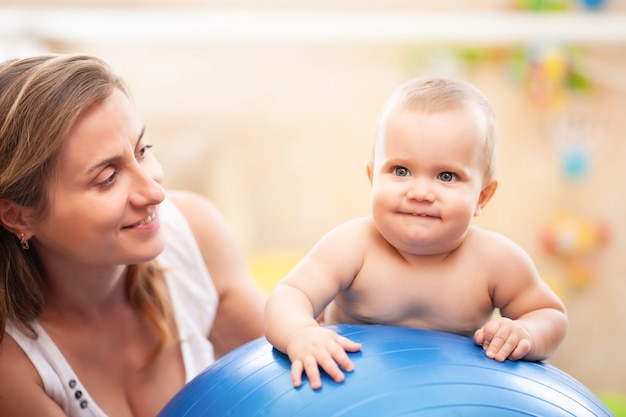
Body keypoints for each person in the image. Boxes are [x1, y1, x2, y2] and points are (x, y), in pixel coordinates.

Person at [0, 53, 265, 417]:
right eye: (107, 178)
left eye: (142, 151)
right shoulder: (13, 365)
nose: (155, 193)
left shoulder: (195, 235)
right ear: (16, 215)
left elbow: (296, 374)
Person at [264, 76, 568, 390]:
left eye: (446, 176)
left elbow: (549, 313)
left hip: (450, 397)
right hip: (352, 394)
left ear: (482, 196)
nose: (420, 191)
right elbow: (289, 295)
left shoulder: (496, 261)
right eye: (400, 171)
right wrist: (300, 332)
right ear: (372, 177)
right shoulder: (352, 246)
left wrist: (527, 334)